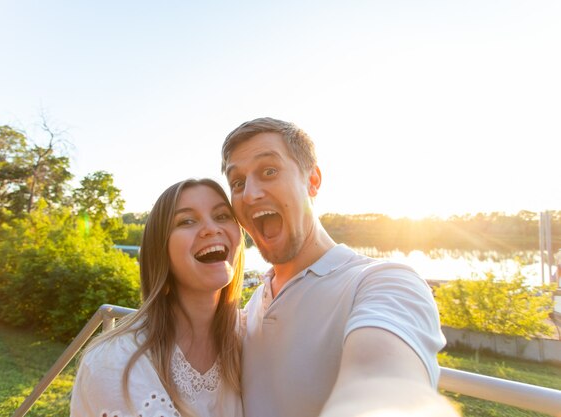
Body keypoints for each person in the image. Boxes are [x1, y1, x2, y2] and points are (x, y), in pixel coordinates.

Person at [221, 117, 459, 417]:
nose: (250, 194)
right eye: (237, 183)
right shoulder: (255, 304)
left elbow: (384, 385)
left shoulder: (383, 283)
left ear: (313, 180)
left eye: (269, 171)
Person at [70, 178, 245, 417]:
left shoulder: (251, 336)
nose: (212, 228)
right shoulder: (115, 362)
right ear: (160, 250)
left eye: (223, 216)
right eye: (187, 221)